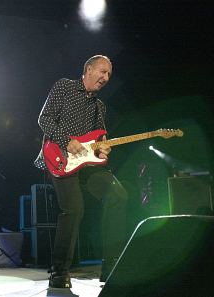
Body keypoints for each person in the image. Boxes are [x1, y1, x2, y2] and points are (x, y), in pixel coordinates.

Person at [34, 55, 128, 287]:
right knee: (74, 210)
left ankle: (110, 266)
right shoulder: (64, 86)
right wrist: (66, 141)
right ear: (88, 69)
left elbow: (100, 140)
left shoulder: (100, 106)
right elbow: (43, 119)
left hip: (87, 164)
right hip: (59, 157)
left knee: (118, 195)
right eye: (102, 71)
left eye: (109, 75)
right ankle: (59, 273)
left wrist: (104, 151)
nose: (105, 78)